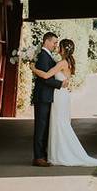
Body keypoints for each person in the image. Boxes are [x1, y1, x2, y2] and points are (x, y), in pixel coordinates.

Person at [32, 38, 97, 167]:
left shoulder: (61, 63)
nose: (57, 47)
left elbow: (46, 76)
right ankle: (58, 153)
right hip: (63, 95)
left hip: (59, 96)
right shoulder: (68, 62)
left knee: (59, 123)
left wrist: (33, 68)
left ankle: (60, 154)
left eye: (59, 46)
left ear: (63, 49)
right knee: (60, 123)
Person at [31, 32, 67, 166]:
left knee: (45, 126)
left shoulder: (48, 56)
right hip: (42, 97)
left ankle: (43, 155)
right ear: (47, 41)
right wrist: (60, 84)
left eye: (57, 43)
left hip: (47, 97)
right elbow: (45, 78)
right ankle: (38, 157)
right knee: (40, 127)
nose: (56, 45)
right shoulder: (42, 56)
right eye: (54, 42)